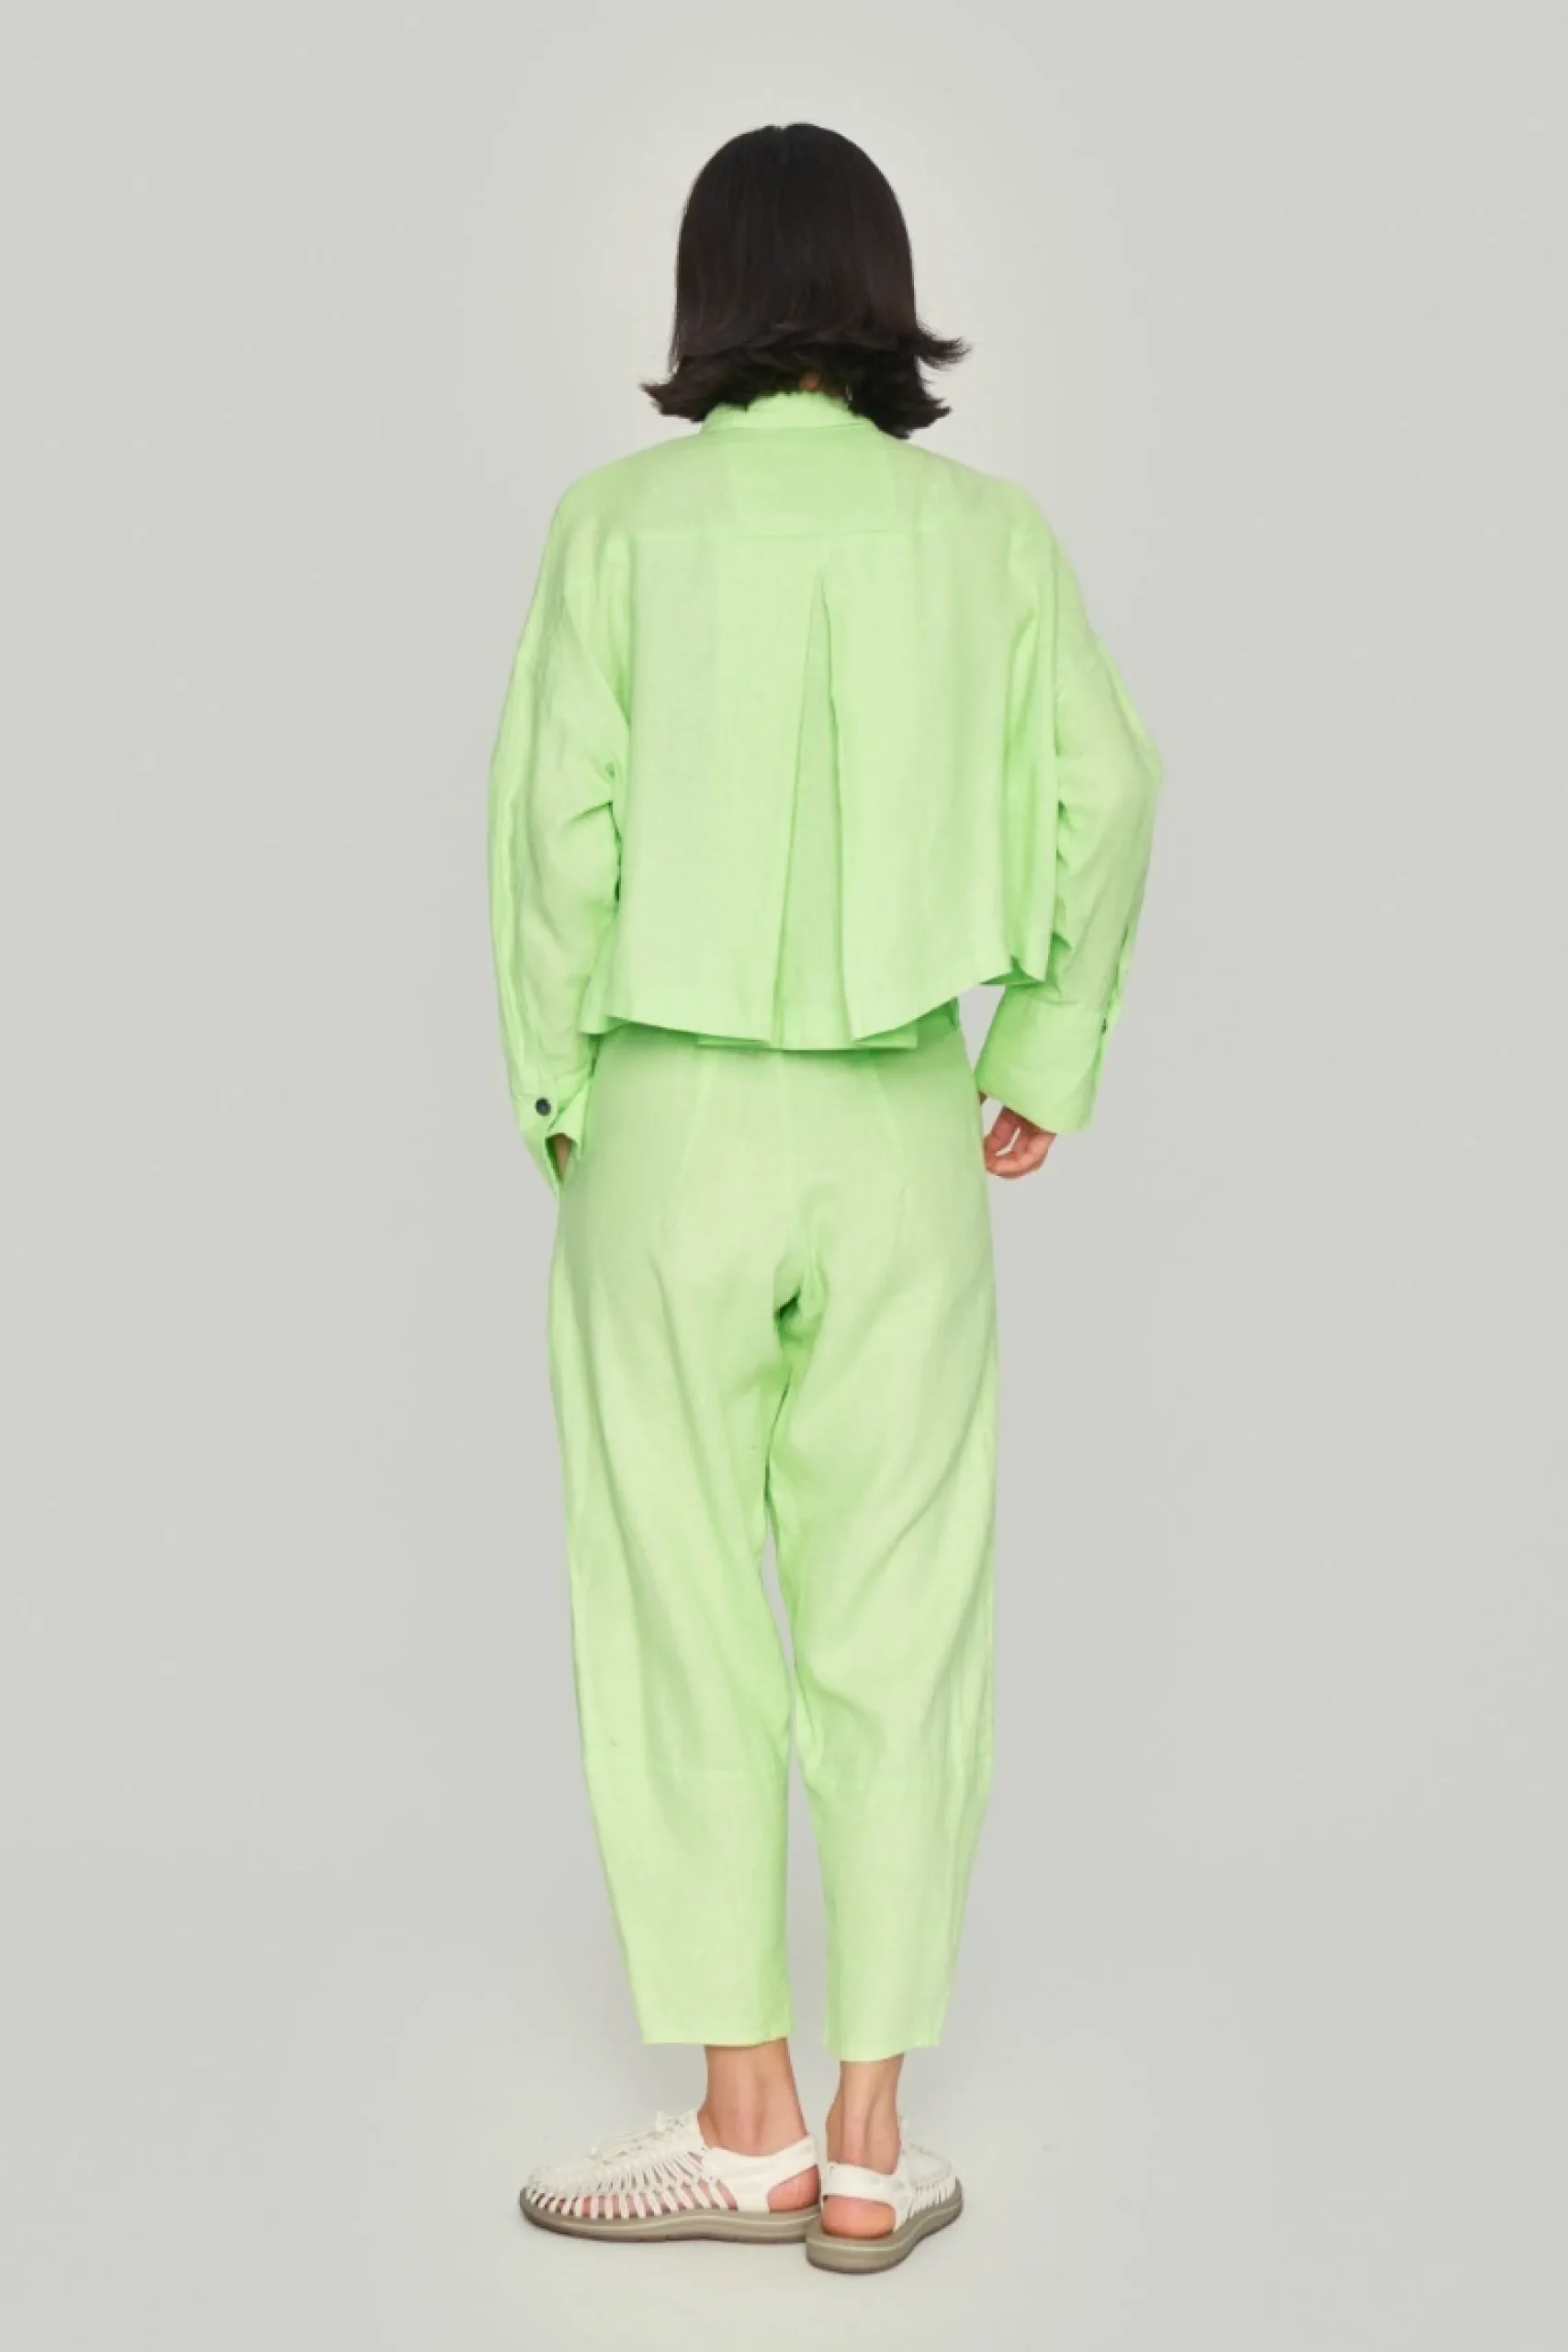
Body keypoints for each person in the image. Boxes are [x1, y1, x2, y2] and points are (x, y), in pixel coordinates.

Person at [487, 121, 1161, 2275]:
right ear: (882, 297)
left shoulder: (615, 528)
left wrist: (560, 1096)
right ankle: (871, 2142)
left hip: (666, 1119)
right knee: (904, 1613)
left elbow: (555, 834)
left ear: (706, 297)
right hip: (898, 1124)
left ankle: (742, 2117)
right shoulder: (991, 539)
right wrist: (1038, 1047)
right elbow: (1107, 788)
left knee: (673, 1602)